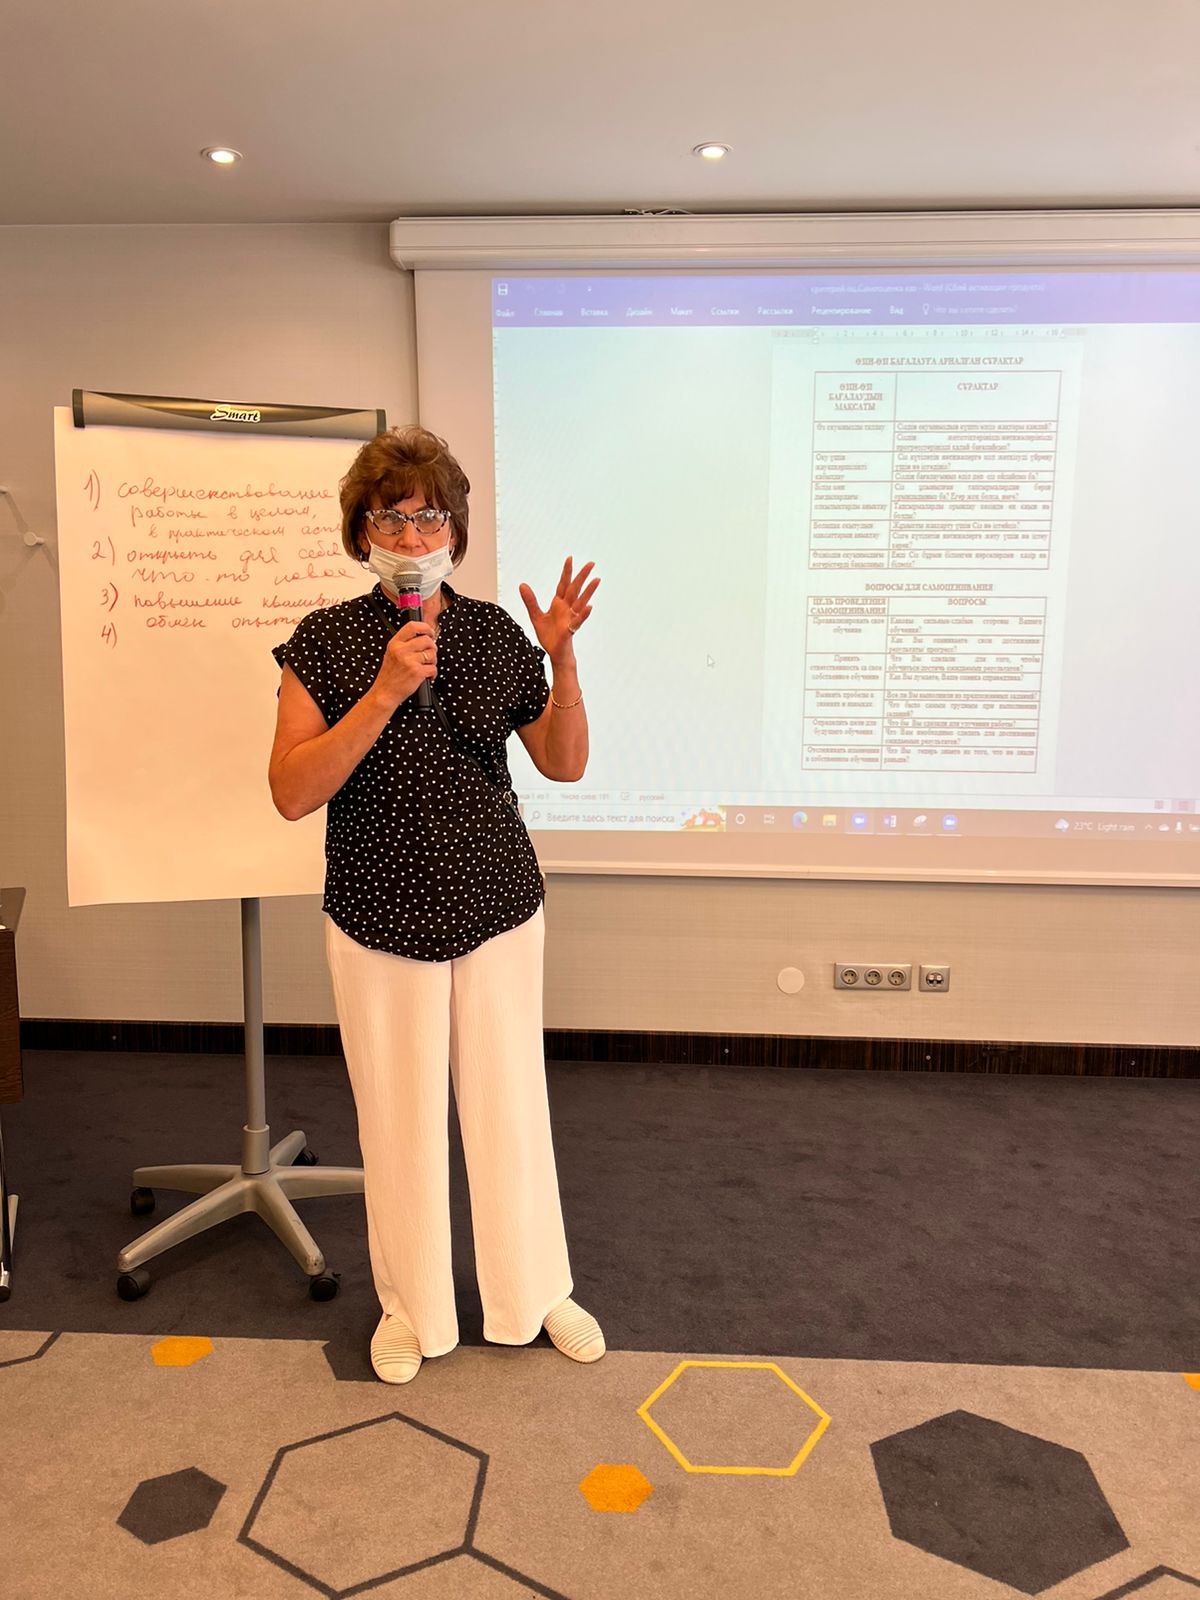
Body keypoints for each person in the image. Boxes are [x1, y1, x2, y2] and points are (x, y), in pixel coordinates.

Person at [268, 425, 602, 1384]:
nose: (412, 538)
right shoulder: (325, 642)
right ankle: (411, 1308)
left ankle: (535, 1292)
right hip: (378, 914)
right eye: (391, 519)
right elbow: (292, 791)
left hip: (498, 903)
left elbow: (564, 764)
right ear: (361, 532)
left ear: (455, 529)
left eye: (430, 518)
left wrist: (561, 661)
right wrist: (382, 691)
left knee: (510, 1109)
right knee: (400, 1119)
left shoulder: (494, 632)